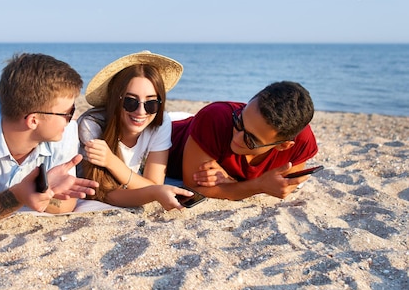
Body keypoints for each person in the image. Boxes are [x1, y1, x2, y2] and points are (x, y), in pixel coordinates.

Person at [0, 53, 98, 220]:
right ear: (33, 120)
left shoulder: (66, 131)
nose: (71, 119)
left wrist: (39, 192)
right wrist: (19, 196)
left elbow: (66, 205)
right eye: (68, 112)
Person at [78, 51, 193, 210]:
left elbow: (154, 183)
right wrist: (153, 192)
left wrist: (112, 162)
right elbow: (102, 193)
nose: (141, 111)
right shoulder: (92, 125)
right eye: (130, 101)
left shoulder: (161, 122)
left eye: (151, 103)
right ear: (115, 99)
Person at [167, 81, 319, 201]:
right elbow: (193, 188)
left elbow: (286, 185)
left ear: (283, 145)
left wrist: (235, 183)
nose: (237, 137)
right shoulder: (214, 118)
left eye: (251, 139)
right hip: (171, 139)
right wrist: (258, 185)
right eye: (239, 122)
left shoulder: (301, 141)